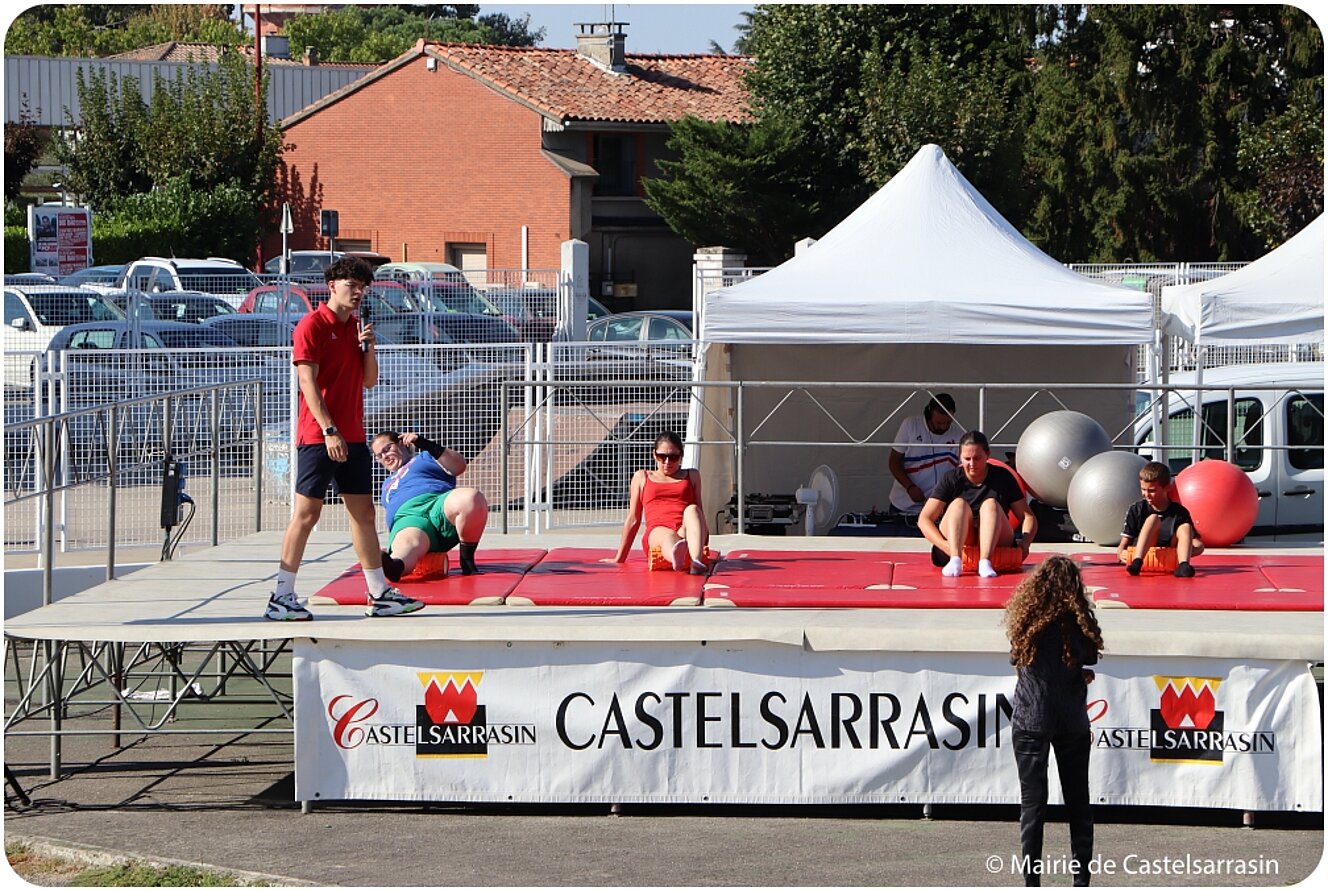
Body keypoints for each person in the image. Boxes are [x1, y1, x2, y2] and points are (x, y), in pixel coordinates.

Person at [264, 257, 424, 621]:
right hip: (320, 437)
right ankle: (281, 595)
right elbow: (307, 383)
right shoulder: (312, 325)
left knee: (363, 514)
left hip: (353, 436)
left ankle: (378, 592)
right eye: (352, 285)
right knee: (306, 514)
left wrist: (368, 347)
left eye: (363, 287)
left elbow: (369, 381)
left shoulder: (355, 328)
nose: (358, 293)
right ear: (332, 284)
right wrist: (328, 429)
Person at [1004, 554, 1104, 887]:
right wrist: (1080, 674)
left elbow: (1018, 660)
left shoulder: (1025, 623)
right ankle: (1081, 881)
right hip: (1070, 720)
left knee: (1033, 805)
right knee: (1079, 803)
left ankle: (1032, 883)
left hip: (1031, 718)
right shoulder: (1076, 624)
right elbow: (1087, 656)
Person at [918, 430, 1036, 578]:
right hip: (959, 541)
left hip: (996, 540)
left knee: (990, 505)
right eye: (967, 459)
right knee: (958, 504)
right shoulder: (951, 478)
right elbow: (924, 519)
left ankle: (985, 561)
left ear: (988, 455)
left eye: (977, 458)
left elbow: (1028, 516)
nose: (972, 464)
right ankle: (955, 559)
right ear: (960, 457)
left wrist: (1025, 543)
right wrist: (944, 545)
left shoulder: (1003, 477)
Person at [371, 430, 488, 578]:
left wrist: (424, 443)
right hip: (409, 519)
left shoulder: (426, 457)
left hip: (438, 505)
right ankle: (396, 566)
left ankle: (467, 561)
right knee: (409, 543)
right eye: (379, 456)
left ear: (401, 443)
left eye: (387, 449)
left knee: (471, 498)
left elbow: (459, 466)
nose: (385, 457)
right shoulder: (386, 484)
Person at [605, 431, 709, 573]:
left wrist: (704, 540)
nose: (667, 462)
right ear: (654, 455)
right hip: (657, 532)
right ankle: (676, 556)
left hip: (684, 529)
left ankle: (695, 561)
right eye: (662, 457)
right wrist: (619, 558)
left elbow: (699, 513)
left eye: (673, 457)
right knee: (667, 535)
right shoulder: (642, 477)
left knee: (692, 509)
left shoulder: (692, 475)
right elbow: (634, 519)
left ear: (681, 456)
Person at [1117, 461, 1204, 577]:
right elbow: (1124, 543)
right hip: (1146, 551)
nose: (1146, 494)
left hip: (1169, 553)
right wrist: (1121, 553)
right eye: (1143, 489)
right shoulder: (1137, 509)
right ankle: (1137, 561)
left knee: (1185, 526)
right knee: (1153, 519)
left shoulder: (1179, 512)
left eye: (1152, 491)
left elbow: (1198, 544)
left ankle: (1184, 564)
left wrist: (1189, 550)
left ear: (1167, 488)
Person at [888, 393, 960, 515]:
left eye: (948, 422)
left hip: (938, 509)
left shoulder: (960, 434)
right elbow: (894, 462)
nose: (943, 427)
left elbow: (962, 473)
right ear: (928, 415)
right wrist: (910, 487)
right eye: (938, 423)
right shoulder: (910, 425)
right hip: (903, 506)